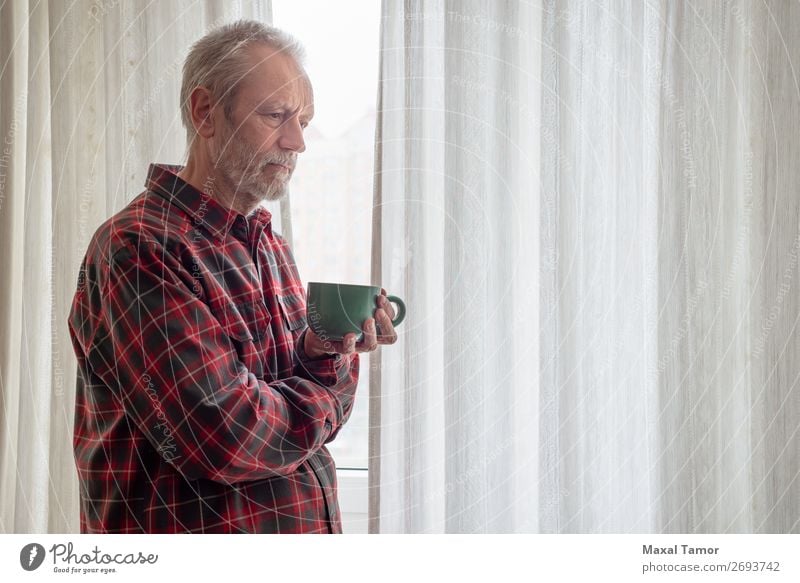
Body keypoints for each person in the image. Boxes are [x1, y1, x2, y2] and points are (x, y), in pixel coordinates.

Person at [67, 20, 398, 534]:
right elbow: (225, 435)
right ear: (205, 113)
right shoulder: (139, 248)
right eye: (276, 116)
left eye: (304, 122)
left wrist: (326, 349)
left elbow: (285, 398)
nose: (297, 142)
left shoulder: (269, 244)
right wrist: (327, 395)